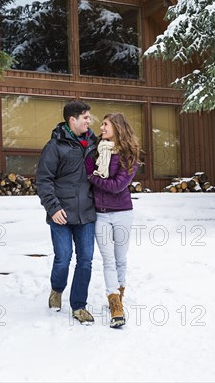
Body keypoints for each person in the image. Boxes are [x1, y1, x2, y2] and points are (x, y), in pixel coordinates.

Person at [36, 100, 98, 325]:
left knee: (86, 260)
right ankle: (57, 289)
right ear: (72, 120)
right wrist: (53, 208)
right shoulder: (54, 146)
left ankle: (79, 306)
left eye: (89, 117)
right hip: (60, 214)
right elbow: (44, 181)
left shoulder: (94, 144)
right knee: (63, 258)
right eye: (85, 118)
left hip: (87, 214)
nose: (89, 121)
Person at [85, 113, 140, 329]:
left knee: (120, 258)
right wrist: (95, 178)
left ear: (117, 127)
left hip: (123, 212)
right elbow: (90, 174)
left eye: (105, 124)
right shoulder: (97, 151)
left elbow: (117, 186)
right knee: (107, 260)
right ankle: (115, 304)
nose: (101, 127)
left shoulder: (129, 155)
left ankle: (120, 292)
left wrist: (93, 178)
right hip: (100, 213)